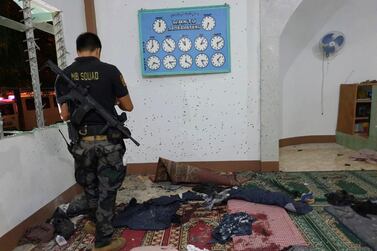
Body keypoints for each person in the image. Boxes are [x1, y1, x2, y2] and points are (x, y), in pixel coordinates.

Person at [55, 32, 133, 251]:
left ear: (77, 50)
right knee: (107, 190)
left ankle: (94, 223)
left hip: (82, 144)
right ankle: (103, 241)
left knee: (90, 186)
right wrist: (113, 99)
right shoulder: (110, 71)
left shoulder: (64, 75)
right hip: (108, 142)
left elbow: (65, 115)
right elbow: (128, 106)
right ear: (98, 50)